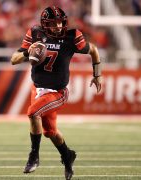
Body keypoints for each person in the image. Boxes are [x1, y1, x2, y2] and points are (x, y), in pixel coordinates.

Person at [10, 6, 102, 180]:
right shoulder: (35, 33)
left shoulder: (72, 37)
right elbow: (14, 60)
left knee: (32, 113)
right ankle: (67, 155)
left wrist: (97, 75)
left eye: (60, 22)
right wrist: (29, 52)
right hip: (37, 89)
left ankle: (34, 156)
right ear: (45, 24)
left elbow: (94, 50)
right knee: (50, 131)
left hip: (58, 92)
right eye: (54, 23)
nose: (58, 27)